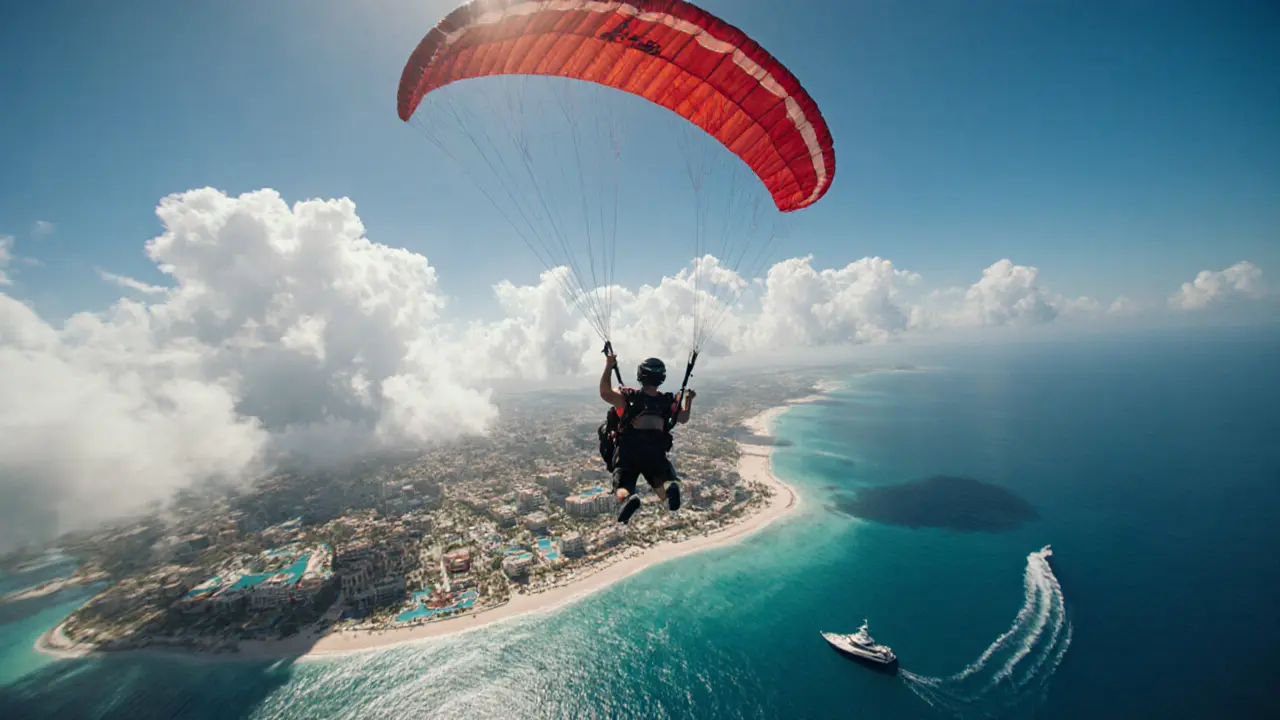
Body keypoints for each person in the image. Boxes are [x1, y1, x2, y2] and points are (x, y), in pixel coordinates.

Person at [599, 352, 695, 524]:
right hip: (655, 452)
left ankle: (627, 498)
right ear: (661, 378)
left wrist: (608, 364)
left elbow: (605, 393)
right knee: (661, 482)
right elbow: (683, 417)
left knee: (622, 485)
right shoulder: (666, 402)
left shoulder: (629, 399)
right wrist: (688, 399)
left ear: (640, 376)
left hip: (629, 452)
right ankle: (669, 487)